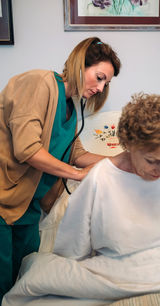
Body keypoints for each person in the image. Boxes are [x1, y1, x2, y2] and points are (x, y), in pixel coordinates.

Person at [2, 93, 160, 305]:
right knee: (39, 289)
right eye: (152, 161)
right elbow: (72, 252)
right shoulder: (100, 179)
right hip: (119, 269)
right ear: (130, 145)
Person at [0, 36, 121, 302]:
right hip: (2, 201)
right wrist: (78, 175)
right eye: (99, 77)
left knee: (21, 284)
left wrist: (123, 161)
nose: (101, 88)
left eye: (106, 83)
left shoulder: (71, 108)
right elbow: (27, 149)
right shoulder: (38, 83)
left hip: (26, 208)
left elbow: (77, 153)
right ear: (80, 64)